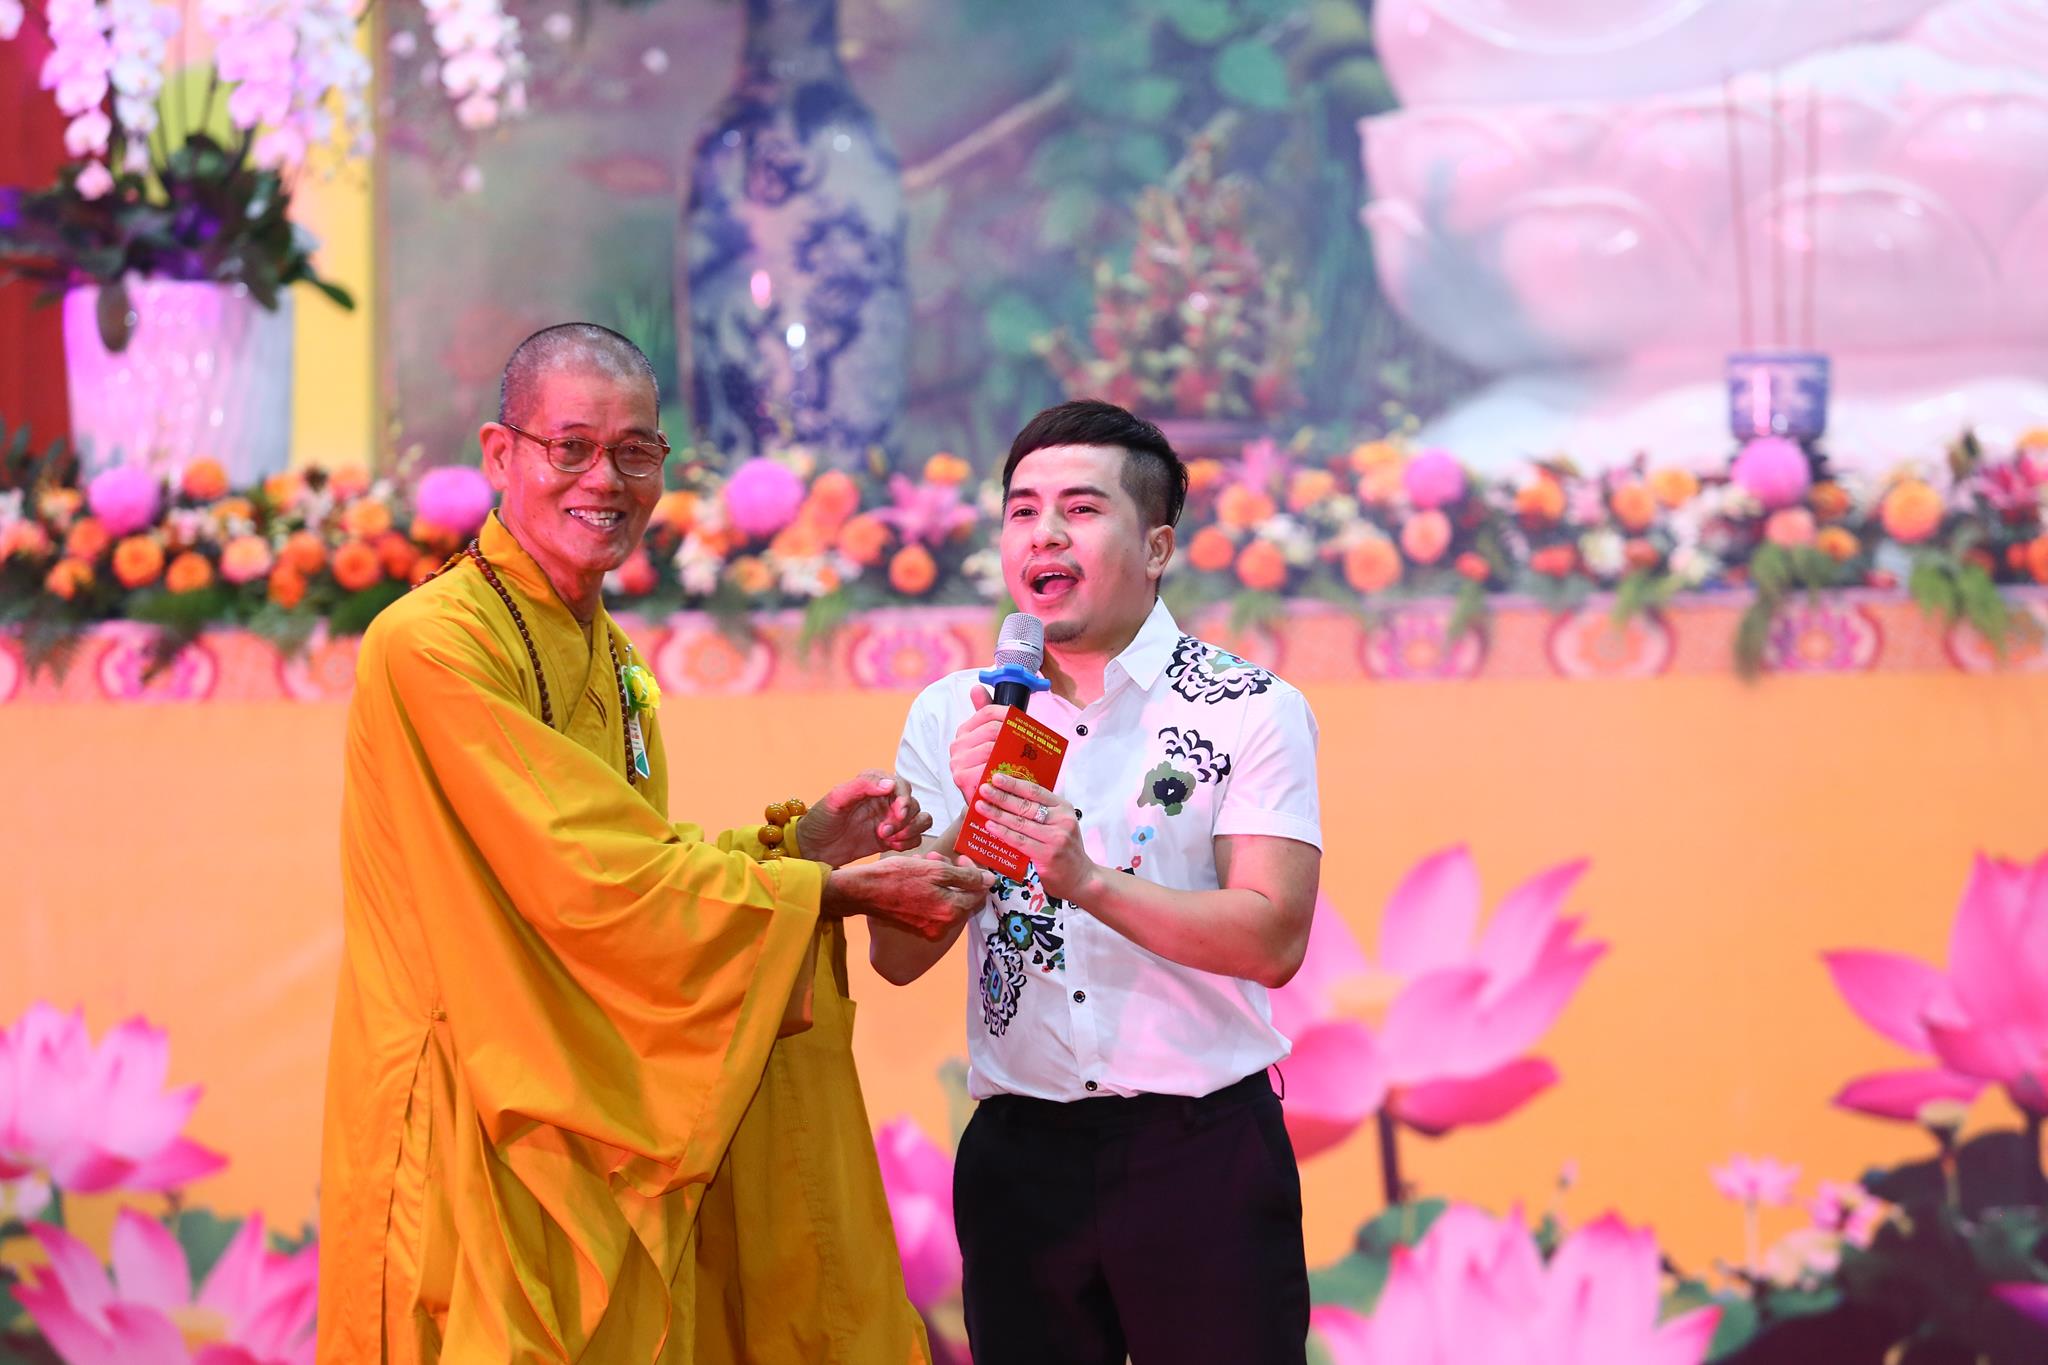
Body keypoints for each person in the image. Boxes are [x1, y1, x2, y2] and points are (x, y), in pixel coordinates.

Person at [320, 322, 990, 1365]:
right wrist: (828, 895)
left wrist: (799, 848)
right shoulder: (432, 645)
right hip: (473, 1098)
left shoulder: (603, 647)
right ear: (500, 454)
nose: (606, 480)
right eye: (571, 447)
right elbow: (582, 869)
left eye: (635, 451)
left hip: (582, 1086)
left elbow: (634, 851)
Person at [875, 399, 1324, 1364]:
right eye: (1022, 510)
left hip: (1200, 1156)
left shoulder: (1250, 708)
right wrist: (973, 816)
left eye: (1080, 508)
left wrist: (1083, 877)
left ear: (1157, 545)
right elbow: (898, 956)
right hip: (1020, 1165)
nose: (1044, 533)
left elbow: (1273, 937)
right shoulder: (954, 713)